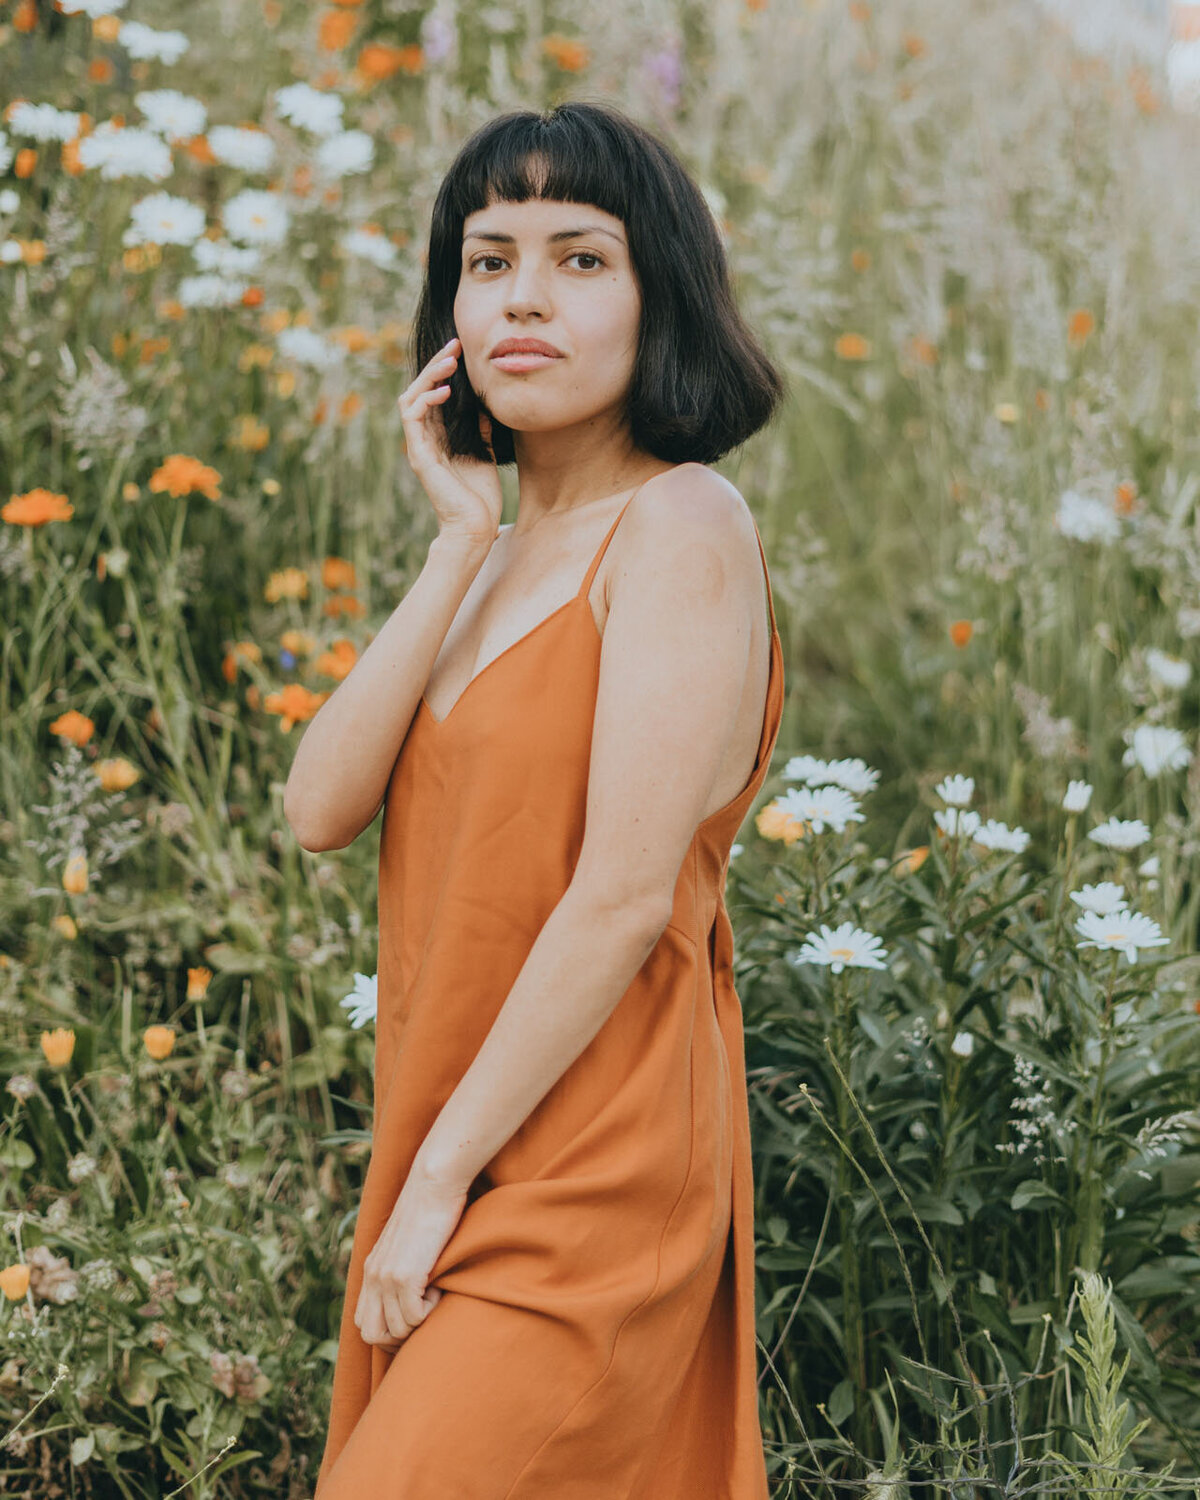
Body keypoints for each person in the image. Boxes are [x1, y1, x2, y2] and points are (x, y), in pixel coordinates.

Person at [287, 98, 788, 1499]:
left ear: (659, 296)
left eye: (581, 260)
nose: (524, 299)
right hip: (461, 1137)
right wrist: (459, 542)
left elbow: (624, 892)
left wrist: (442, 1181)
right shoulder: (499, 557)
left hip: (592, 1161)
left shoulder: (682, 524)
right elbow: (321, 804)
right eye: (489, 258)